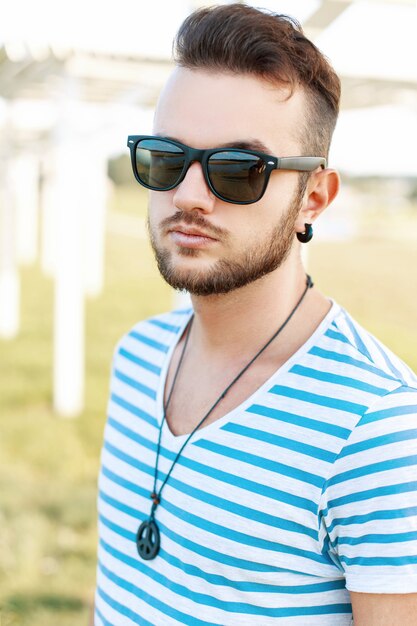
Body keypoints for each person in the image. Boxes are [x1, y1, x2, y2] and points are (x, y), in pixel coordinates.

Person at [94, 4, 417, 625]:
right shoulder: (137, 355)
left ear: (313, 198)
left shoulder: (378, 429)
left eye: (239, 170)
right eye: (165, 158)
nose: (188, 195)